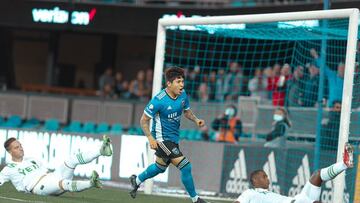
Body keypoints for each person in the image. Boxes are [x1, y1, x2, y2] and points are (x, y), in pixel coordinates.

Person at [129, 67, 209, 203]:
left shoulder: (183, 94)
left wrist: (196, 120)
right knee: (186, 166)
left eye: (182, 81)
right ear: (169, 84)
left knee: (160, 167)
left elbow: (186, 111)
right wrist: (150, 138)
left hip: (173, 138)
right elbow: (143, 120)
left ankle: (136, 180)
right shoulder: (159, 100)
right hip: (162, 140)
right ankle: (196, 200)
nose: (182, 85)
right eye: (178, 82)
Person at [234, 142, 354, 203]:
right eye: (264, 176)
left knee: (317, 176)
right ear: (255, 180)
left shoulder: (266, 193)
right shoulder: (249, 193)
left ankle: (344, 163)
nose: (268, 178)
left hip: (296, 200)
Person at [0, 135, 112, 195]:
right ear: (10, 152)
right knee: (63, 183)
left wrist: (53, 176)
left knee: (71, 160)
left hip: (51, 177)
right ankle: (91, 183)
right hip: (38, 187)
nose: (20, 148)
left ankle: (101, 151)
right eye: (16, 147)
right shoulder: (8, 169)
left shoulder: (31, 159)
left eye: (20, 145)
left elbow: (46, 172)